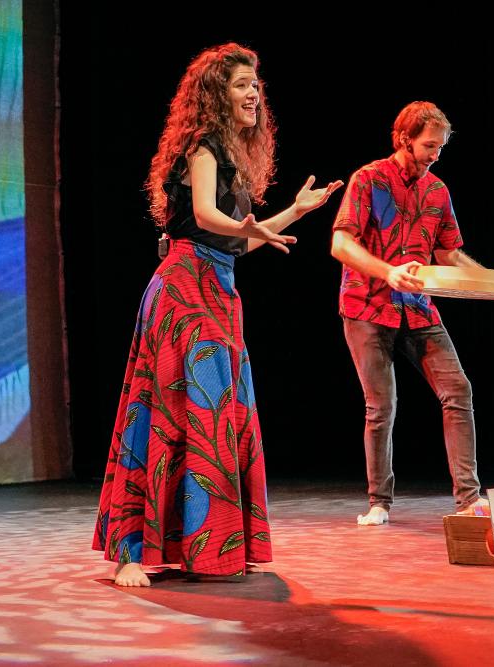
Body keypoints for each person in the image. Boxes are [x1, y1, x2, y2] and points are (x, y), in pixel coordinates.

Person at [94, 43, 342, 585]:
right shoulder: (202, 146)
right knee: (170, 411)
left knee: (217, 419)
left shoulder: (233, 160)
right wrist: (245, 227)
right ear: (215, 94)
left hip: (220, 292)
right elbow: (207, 217)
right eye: (241, 85)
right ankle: (132, 552)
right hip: (184, 293)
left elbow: (235, 243)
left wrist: (293, 212)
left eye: (256, 85)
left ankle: (207, 549)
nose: (253, 94)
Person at [331, 101, 494, 525]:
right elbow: (340, 243)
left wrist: (493, 285)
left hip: (417, 308)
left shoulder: (437, 191)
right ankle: (379, 502)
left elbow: (449, 253)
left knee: (458, 391)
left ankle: (469, 499)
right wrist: (387, 272)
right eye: (429, 146)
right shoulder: (368, 179)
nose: (435, 155)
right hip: (367, 306)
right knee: (381, 406)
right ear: (403, 139)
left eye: (440, 147)